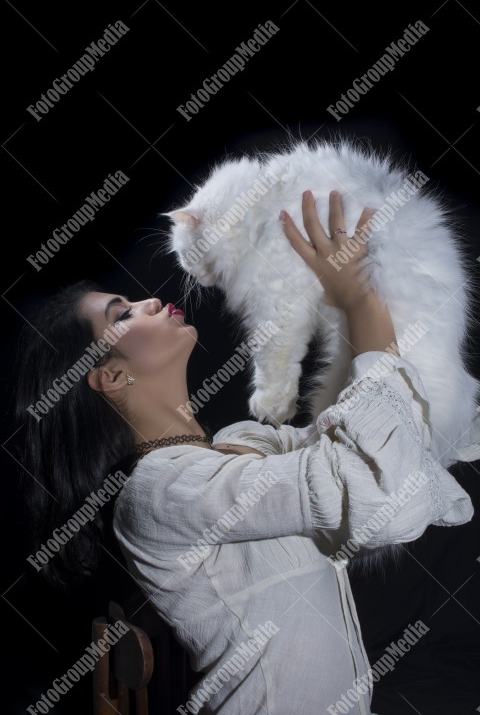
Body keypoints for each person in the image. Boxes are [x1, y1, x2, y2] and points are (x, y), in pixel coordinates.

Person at [14, 191, 476, 715]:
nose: (146, 301)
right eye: (121, 313)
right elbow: (374, 489)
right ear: (112, 376)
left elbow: (392, 456)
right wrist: (361, 303)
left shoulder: (240, 447)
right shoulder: (161, 491)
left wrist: (385, 298)